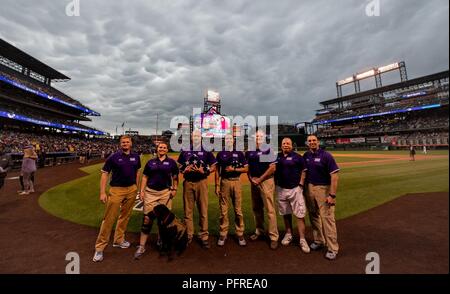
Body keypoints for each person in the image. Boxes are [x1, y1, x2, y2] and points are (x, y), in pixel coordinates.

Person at [93, 135, 141, 262]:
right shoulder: (114, 157)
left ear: (131, 143)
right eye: (123, 142)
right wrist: (102, 192)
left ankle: (118, 240)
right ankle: (99, 248)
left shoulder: (136, 157)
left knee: (125, 216)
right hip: (116, 190)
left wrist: (136, 187)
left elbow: (137, 172)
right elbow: (104, 173)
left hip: (131, 189)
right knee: (109, 219)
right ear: (121, 144)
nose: (125, 143)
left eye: (127, 142)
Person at [134, 142, 179, 259]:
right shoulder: (150, 162)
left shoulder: (172, 162)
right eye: (160, 147)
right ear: (157, 149)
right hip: (150, 193)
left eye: (164, 147)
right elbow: (145, 177)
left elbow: (175, 177)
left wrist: (175, 189)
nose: (162, 149)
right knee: (147, 219)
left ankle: (161, 240)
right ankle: (142, 246)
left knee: (164, 220)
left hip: (165, 194)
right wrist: (142, 191)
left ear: (167, 149)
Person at [177, 130, 216, 249]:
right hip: (188, 182)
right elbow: (179, 165)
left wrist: (205, 171)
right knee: (188, 211)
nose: (196, 137)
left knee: (203, 211)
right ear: (191, 137)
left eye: (198, 135)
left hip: (201, 182)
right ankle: (189, 235)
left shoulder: (206, 149)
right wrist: (184, 169)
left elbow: (214, 165)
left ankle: (204, 236)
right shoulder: (185, 149)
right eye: (194, 136)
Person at [303, 135, 340, 260]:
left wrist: (332, 195)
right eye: (310, 141)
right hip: (309, 188)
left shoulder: (326, 155)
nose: (312, 142)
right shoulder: (306, 155)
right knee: (313, 216)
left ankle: (333, 248)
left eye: (314, 140)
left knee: (327, 219)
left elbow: (334, 176)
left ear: (318, 142)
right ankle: (319, 241)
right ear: (307, 143)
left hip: (323, 189)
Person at [275, 138, 310, 253]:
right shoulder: (277, 156)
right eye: (284, 144)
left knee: (299, 214)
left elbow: (304, 171)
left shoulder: (297, 157)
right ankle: (288, 233)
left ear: (292, 145)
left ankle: (302, 239)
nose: (286, 145)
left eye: (288, 143)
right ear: (281, 146)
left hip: (295, 189)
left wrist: (300, 184)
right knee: (285, 213)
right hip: (281, 189)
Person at [245, 130, 279, 250]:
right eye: (257, 136)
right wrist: (251, 179)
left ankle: (274, 237)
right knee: (256, 208)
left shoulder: (269, 149)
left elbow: (273, 168)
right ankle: (259, 231)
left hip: (266, 181)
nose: (258, 138)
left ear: (264, 138)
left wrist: (260, 179)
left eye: (260, 136)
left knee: (270, 209)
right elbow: (247, 168)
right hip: (254, 182)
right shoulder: (250, 151)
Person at [215, 134, 248, 247]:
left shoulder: (239, 153)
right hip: (224, 182)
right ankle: (223, 233)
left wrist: (233, 168)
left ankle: (240, 233)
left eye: (231, 139)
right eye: (227, 139)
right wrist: (217, 186)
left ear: (233, 141)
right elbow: (217, 171)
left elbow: (246, 168)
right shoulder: (220, 153)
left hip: (237, 181)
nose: (229, 140)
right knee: (223, 210)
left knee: (238, 210)